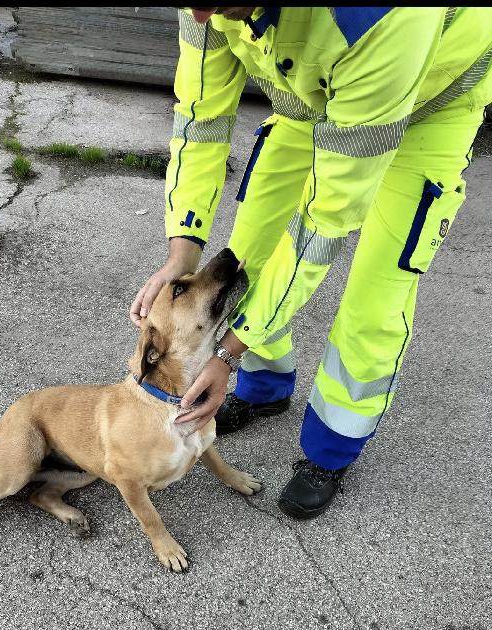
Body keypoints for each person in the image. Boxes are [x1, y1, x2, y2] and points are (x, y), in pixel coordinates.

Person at [130, 7, 492, 519]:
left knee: (374, 300)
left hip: (426, 110)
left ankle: (330, 449)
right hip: (308, 101)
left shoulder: (379, 17)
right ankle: (266, 387)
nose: (201, 13)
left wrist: (225, 355)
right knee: (246, 261)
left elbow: (324, 224)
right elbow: (199, 118)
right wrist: (181, 255)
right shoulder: (203, 8)